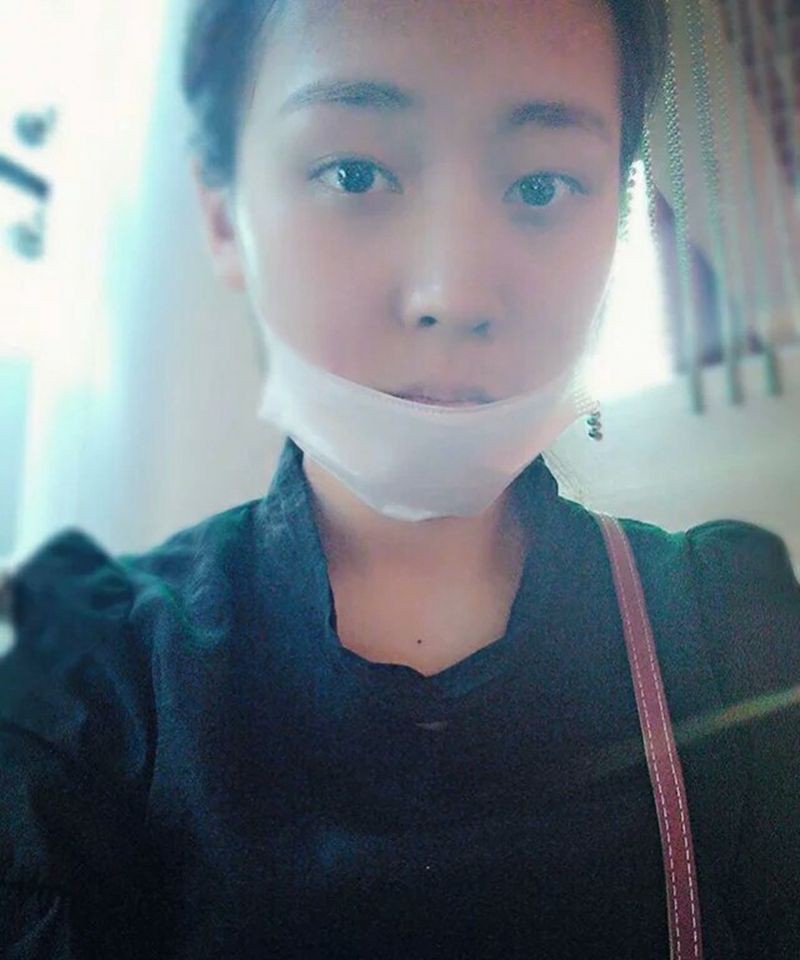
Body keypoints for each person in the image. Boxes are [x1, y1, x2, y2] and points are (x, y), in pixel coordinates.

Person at [1, 1, 798, 957]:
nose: (451, 294)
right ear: (224, 213)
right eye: (355, 173)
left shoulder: (733, 633)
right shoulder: (87, 681)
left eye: (541, 185)